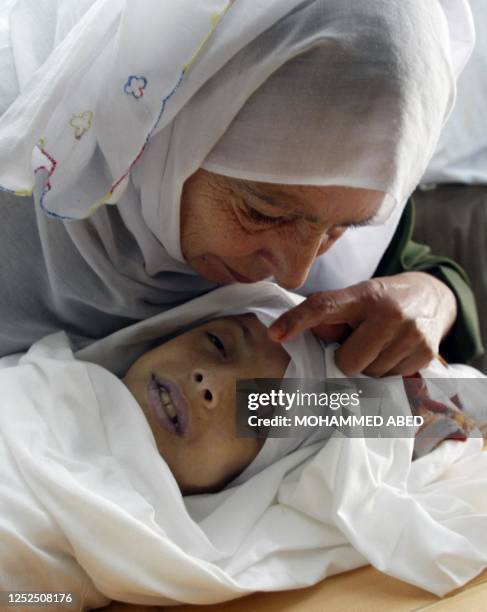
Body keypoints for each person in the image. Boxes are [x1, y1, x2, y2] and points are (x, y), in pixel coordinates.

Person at [0, 0, 483, 374]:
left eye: (345, 227)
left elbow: (416, 276)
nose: (295, 275)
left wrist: (434, 299)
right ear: (166, 128)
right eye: (265, 213)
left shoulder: (340, 199)